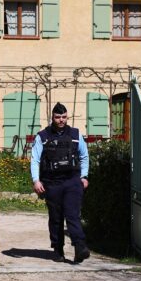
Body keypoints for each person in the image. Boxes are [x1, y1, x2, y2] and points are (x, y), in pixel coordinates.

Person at [30, 102, 90, 263]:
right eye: (58, 117)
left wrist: (84, 176)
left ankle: (80, 247)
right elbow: (35, 160)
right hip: (52, 182)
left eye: (64, 117)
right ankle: (58, 249)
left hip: (72, 181)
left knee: (73, 215)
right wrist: (36, 180)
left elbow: (84, 156)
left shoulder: (76, 135)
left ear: (67, 117)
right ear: (52, 117)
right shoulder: (42, 136)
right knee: (56, 217)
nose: (61, 120)